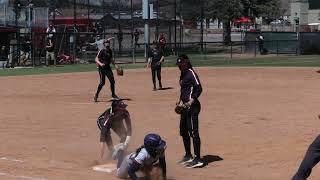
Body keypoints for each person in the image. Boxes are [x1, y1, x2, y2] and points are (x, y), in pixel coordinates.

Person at [176, 54, 204, 168]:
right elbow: (184, 90)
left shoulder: (191, 73)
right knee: (183, 131)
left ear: (186, 62)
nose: (179, 66)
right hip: (184, 107)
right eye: (178, 65)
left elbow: (199, 88)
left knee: (193, 132)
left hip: (193, 107)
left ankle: (198, 159)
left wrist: (191, 101)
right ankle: (188, 155)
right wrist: (180, 102)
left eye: (181, 64)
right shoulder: (182, 74)